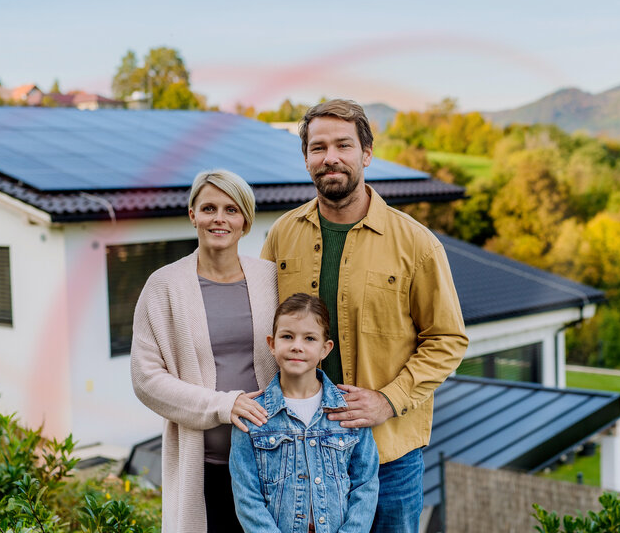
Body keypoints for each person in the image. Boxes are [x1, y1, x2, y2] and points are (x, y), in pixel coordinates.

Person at [260, 99, 469, 532]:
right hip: (300, 452)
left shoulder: (416, 244)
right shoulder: (281, 235)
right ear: (306, 159)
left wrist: (388, 400)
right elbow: (264, 329)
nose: (330, 157)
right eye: (318, 148)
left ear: (366, 154)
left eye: (343, 145)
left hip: (388, 457)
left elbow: (448, 340)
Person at [130, 169, 278, 533]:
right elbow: (146, 379)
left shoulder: (272, 278)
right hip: (205, 466)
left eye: (231, 209)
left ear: (245, 220)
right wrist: (224, 405)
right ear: (192, 214)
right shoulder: (164, 286)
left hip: (274, 463)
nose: (219, 219)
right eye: (209, 208)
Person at [230, 293, 379, 533]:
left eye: (309, 338)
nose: (297, 346)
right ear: (272, 343)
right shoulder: (253, 415)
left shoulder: (349, 411)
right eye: (287, 336)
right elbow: (247, 497)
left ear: (325, 348)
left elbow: (366, 485)